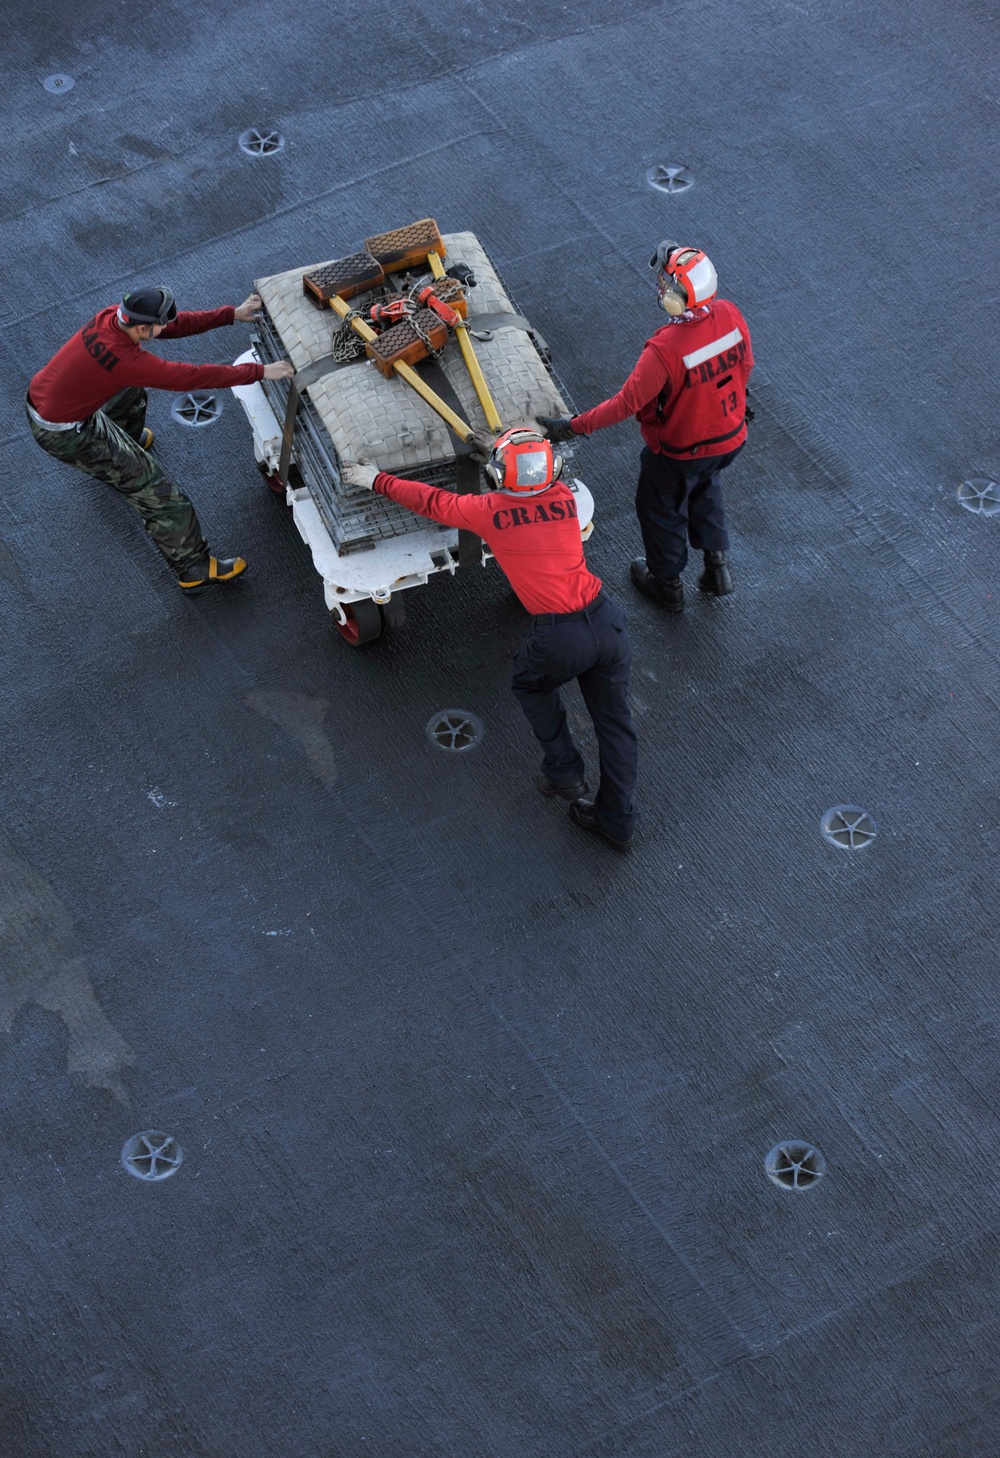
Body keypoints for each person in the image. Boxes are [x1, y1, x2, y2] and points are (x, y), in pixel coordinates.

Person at [342, 427, 638, 850]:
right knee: (616, 725)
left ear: (498, 477)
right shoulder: (564, 500)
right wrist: (504, 458)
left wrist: (375, 479)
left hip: (558, 636)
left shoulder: (488, 510)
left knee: (530, 682)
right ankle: (617, 822)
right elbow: (533, 490)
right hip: (606, 621)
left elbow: (430, 501)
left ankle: (564, 772)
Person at [26, 286, 295, 590]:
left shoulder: (112, 318)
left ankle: (124, 439)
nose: (166, 326)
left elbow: (173, 326)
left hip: (48, 399)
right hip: (65, 433)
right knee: (157, 490)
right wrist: (260, 371)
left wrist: (231, 314)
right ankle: (193, 567)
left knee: (130, 388)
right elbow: (193, 377)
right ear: (142, 327)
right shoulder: (124, 360)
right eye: (159, 323)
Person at [539, 241, 753, 614]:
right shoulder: (730, 314)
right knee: (706, 484)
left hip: (681, 451)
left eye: (665, 285)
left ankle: (667, 585)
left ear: (679, 297)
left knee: (659, 506)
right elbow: (744, 367)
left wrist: (571, 427)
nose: (660, 289)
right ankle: (717, 570)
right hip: (729, 439)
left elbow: (625, 405)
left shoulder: (664, 350)